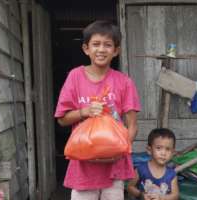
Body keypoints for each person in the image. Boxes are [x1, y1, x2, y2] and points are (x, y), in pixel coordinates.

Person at [54, 20, 141, 200]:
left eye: (108, 45)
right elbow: (62, 119)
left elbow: (132, 125)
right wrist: (84, 112)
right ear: (86, 48)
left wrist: (120, 151)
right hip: (83, 166)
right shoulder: (75, 77)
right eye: (96, 44)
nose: (101, 49)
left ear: (116, 51)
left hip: (114, 167)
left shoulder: (124, 82)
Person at [127, 128, 179, 200]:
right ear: (149, 150)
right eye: (158, 148)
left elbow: (175, 196)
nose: (163, 153)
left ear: (172, 153)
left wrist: (161, 198)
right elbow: (130, 187)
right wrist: (141, 195)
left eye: (168, 149)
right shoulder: (141, 169)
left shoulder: (171, 174)